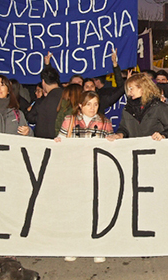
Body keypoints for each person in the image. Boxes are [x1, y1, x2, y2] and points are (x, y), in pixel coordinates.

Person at [54, 90, 113, 263]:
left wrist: (113, 140)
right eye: (88, 104)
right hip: (75, 170)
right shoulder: (70, 120)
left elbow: (111, 146)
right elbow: (61, 139)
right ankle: (74, 245)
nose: (92, 108)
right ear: (80, 105)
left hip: (97, 170)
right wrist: (58, 142)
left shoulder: (105, 122)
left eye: (95, 104)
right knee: (75, 209)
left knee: (97, 209)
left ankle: (97, 246)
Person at [108, 73, 168, 141]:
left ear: (142, 88)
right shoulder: (127, 109)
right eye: (128, 90)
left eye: (131, 88)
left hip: (155, 147)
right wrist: (119, 135)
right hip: (135, 148)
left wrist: (163, 135)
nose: (129, 93)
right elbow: (123, 128)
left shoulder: (159, 107)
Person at [26, 53, 63, 139]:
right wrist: (47, 65)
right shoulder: (66, 95)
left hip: (48, 142)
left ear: (43, 82)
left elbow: (42, 130)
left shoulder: (45, 102)